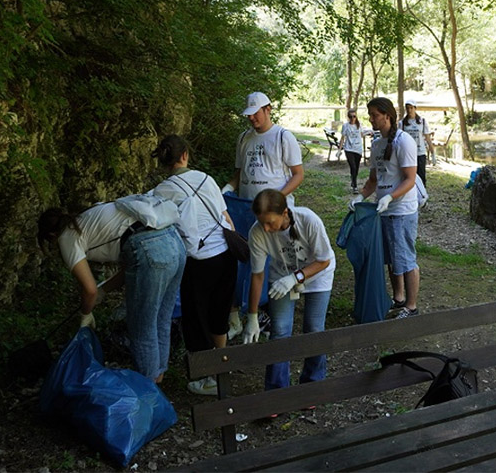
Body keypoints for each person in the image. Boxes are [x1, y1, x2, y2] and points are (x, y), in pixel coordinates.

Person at [36, 203, 186, 382]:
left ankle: (149, 390)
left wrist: (86, 313)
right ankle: (158, 376)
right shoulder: (90, 217)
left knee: (141, 327)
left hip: (150, 248)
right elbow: (132, 268)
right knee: (162, 317)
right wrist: (103, 291)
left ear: (52, 235)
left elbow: (89, 289)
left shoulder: (66, 237)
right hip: (174, 241)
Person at [151, 135, 238, 396]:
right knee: (219, 314)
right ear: (185, 154)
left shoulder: (162, 191)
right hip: (225, 254)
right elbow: (226, 218)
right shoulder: (206, 179)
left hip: (197, 262)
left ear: (165, 161)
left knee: (196, 318)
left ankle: (205, 380)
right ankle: (222, 368)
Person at [222, 91, 304, 339]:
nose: (252, 119)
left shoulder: (282, 137)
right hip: (246, 208)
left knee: (276, 261)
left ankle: (271, 312)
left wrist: (277, 198)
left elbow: (298, 174)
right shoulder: (244, 138)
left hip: (275, 213)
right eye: (248, 115)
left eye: (256, 113)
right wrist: (227, 189)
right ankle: (240, 312)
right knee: (244, 259)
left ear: (268, 109)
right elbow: (239, 173)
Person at [243, 189, 335, 393]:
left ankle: (312, 385)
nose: (266, 229)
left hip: (318, 273)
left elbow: (324, 260)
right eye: (261, 222)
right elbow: (257, 276)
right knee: (280, 330)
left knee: (313, 329)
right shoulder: (256, 233)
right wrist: (252, 316)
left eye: (270, 223)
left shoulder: (308, 220)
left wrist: (295, 278)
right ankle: (277, 391)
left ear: (285, 213)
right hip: (281, 275)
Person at [351, 97, 421, 319]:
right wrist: (359, 196)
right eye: (370, 115)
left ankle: (411, 306)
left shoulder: (404, 141)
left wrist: (390, 197)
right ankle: (398, 298)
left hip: (402, 210)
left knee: (405, 257)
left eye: (374, 115)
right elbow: (373, 180)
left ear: (387, 116)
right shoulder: (377, 143)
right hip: (383, 211)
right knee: (391, 257)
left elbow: (410, 179)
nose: (370, 119)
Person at [399, 100, 431, 186]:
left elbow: (427, 137)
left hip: (420, 152)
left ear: (415, 108)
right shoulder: (402, 123)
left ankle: (422, 194)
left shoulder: (422, 121)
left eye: (411, 108)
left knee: (421, 176)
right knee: (408, 176)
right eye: (407, 108)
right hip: (407, 153)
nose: (409, 110)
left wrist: (433, 152)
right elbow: (399, 139)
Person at [339, 108, 368, 193]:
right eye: (351, 117)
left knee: (356, 167)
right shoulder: (345, 126)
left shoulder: (359, 125)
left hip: (358, 149)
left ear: (356, 117)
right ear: (348, 117)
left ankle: (353, 180)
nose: (352, 118)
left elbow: (362, 134)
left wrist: (368, 133)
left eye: (354, 116)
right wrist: (339, 149)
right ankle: (355, 185)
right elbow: (342, 138)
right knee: (353, 167)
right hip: (349, 149)